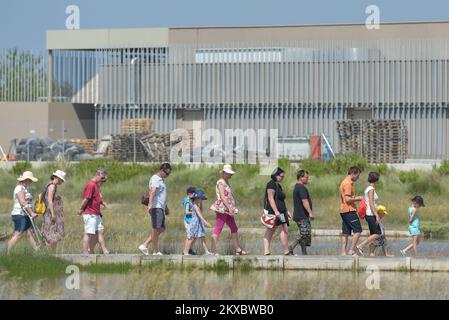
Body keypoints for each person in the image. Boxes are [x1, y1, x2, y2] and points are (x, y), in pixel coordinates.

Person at [210, 164, 247, 256]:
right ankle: (213, 251)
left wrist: (231, 208)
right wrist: (230, 208)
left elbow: (229, 196)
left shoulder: (226, 182)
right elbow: (222, 196)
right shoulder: (221, 182)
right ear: (224, 173)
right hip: (223, 208)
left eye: (231, 174)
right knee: (218, 228)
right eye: (229, 173)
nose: (230, 175)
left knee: (234, 228)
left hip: (228, 209)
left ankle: (238, 249)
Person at [139, 163, 172, 256]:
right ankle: (155, 251)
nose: (167, 175)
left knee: (161, 228)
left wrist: (166, 207)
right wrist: (150, 205)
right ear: (162, 170)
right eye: (167, 173)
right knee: (156, 228)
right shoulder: (155, 178)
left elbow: (161, 195)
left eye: (169, 174)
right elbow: (152, 192)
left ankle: (145, 244)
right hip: (156, 207)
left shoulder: (162, 180)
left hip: (160, 207)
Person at [77, 168, 109, 255]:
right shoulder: (91, 185)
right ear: (98, 175)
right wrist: (80, 209)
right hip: (90, 213)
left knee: (100, 231)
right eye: (102, 178)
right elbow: (86, 199)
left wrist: (102, 203)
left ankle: (98, 250)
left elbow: (96, 197)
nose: (103, 180)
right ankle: (85, 252)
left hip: (96, 213)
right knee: (88, 233)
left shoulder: (95, 185)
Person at [263, 167, 293, 256]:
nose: (283, 178)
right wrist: (276, 211)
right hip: (274, 212)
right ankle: (266, 251)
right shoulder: (271, 184)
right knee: (271, 229)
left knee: (284, 229)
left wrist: (286, 210)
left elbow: (281, 200)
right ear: (276, 175)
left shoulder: (278, 185)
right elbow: (270, 198)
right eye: (281, 176)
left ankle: (286, 250)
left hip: (282, 211)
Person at [7, 171, 39, 253]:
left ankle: (37, 251)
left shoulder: (24, 188)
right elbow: (22, 202)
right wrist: (31, 213)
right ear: (26, 179)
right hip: (19, 214)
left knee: (29, 233)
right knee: (18, 234)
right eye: (30, 180)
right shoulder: (19, 188)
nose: (31, 182)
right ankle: (7, 254)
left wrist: (30, 212)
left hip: (25, 214)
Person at [288, 170, 314, 255]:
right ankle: (291, 247)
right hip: (301, 215)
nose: (307, 179)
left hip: (301, 215)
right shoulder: (301, 187)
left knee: (303, 234)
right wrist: (310, 212)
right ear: (301, 177)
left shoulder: (298, 186)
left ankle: (304, 253)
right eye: (306, 177)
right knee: (304, 233)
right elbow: (304, 201)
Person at [339, 166, 364, 256]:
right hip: (349, 210)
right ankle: (351, 250)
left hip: (343, 210)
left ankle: (343, 252)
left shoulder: (344, 182)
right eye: (358, 175)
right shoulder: (348, 184)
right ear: (353, 173)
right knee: (358, 230)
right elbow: (348, 199)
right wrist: (359, 198)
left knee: (345, 232)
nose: (358, 178)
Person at [356, 172, 381, 256]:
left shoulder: (368, 188)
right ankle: (361, 245)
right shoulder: (371, 189)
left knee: (373, 235)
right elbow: (371, 203)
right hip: (371, 214)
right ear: (376, 179)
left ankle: (371, 253)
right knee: (378, 234)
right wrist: (376, 215)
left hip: (369, 213)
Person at [41, 170, 66, 254]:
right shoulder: (52, 186)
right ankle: (52, 254)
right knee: (53, 233)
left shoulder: (52, 185)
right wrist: (53, 214)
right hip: (51, 214)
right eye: (61, 179)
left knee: (52, 233)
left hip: (52, 213)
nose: (62, 181)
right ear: (57, 178)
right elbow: (49, 200)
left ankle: (51, 253)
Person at [183, 189, 212, 256]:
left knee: (202, 237)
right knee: (191, 237)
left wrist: (201, 203)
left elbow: (201, 210)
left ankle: (206, 251)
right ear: (196, 198)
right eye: (200, 199)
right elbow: (199, 215)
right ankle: (185, 252)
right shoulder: (194, 206)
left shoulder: (197, 205)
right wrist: (205, 222)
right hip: (195, 224)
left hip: (199, 224)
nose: (201, 200)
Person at [182, 186, 197, 255]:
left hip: (192, 221)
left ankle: (189, 249)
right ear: (189, 194)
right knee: (189, 236)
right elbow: (187, 212)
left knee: (194, 236)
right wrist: (194, 212)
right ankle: (185, 251)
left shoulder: (191, 200)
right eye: (194, 194)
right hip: (188, 221)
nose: (195, 195)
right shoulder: (187, 201)